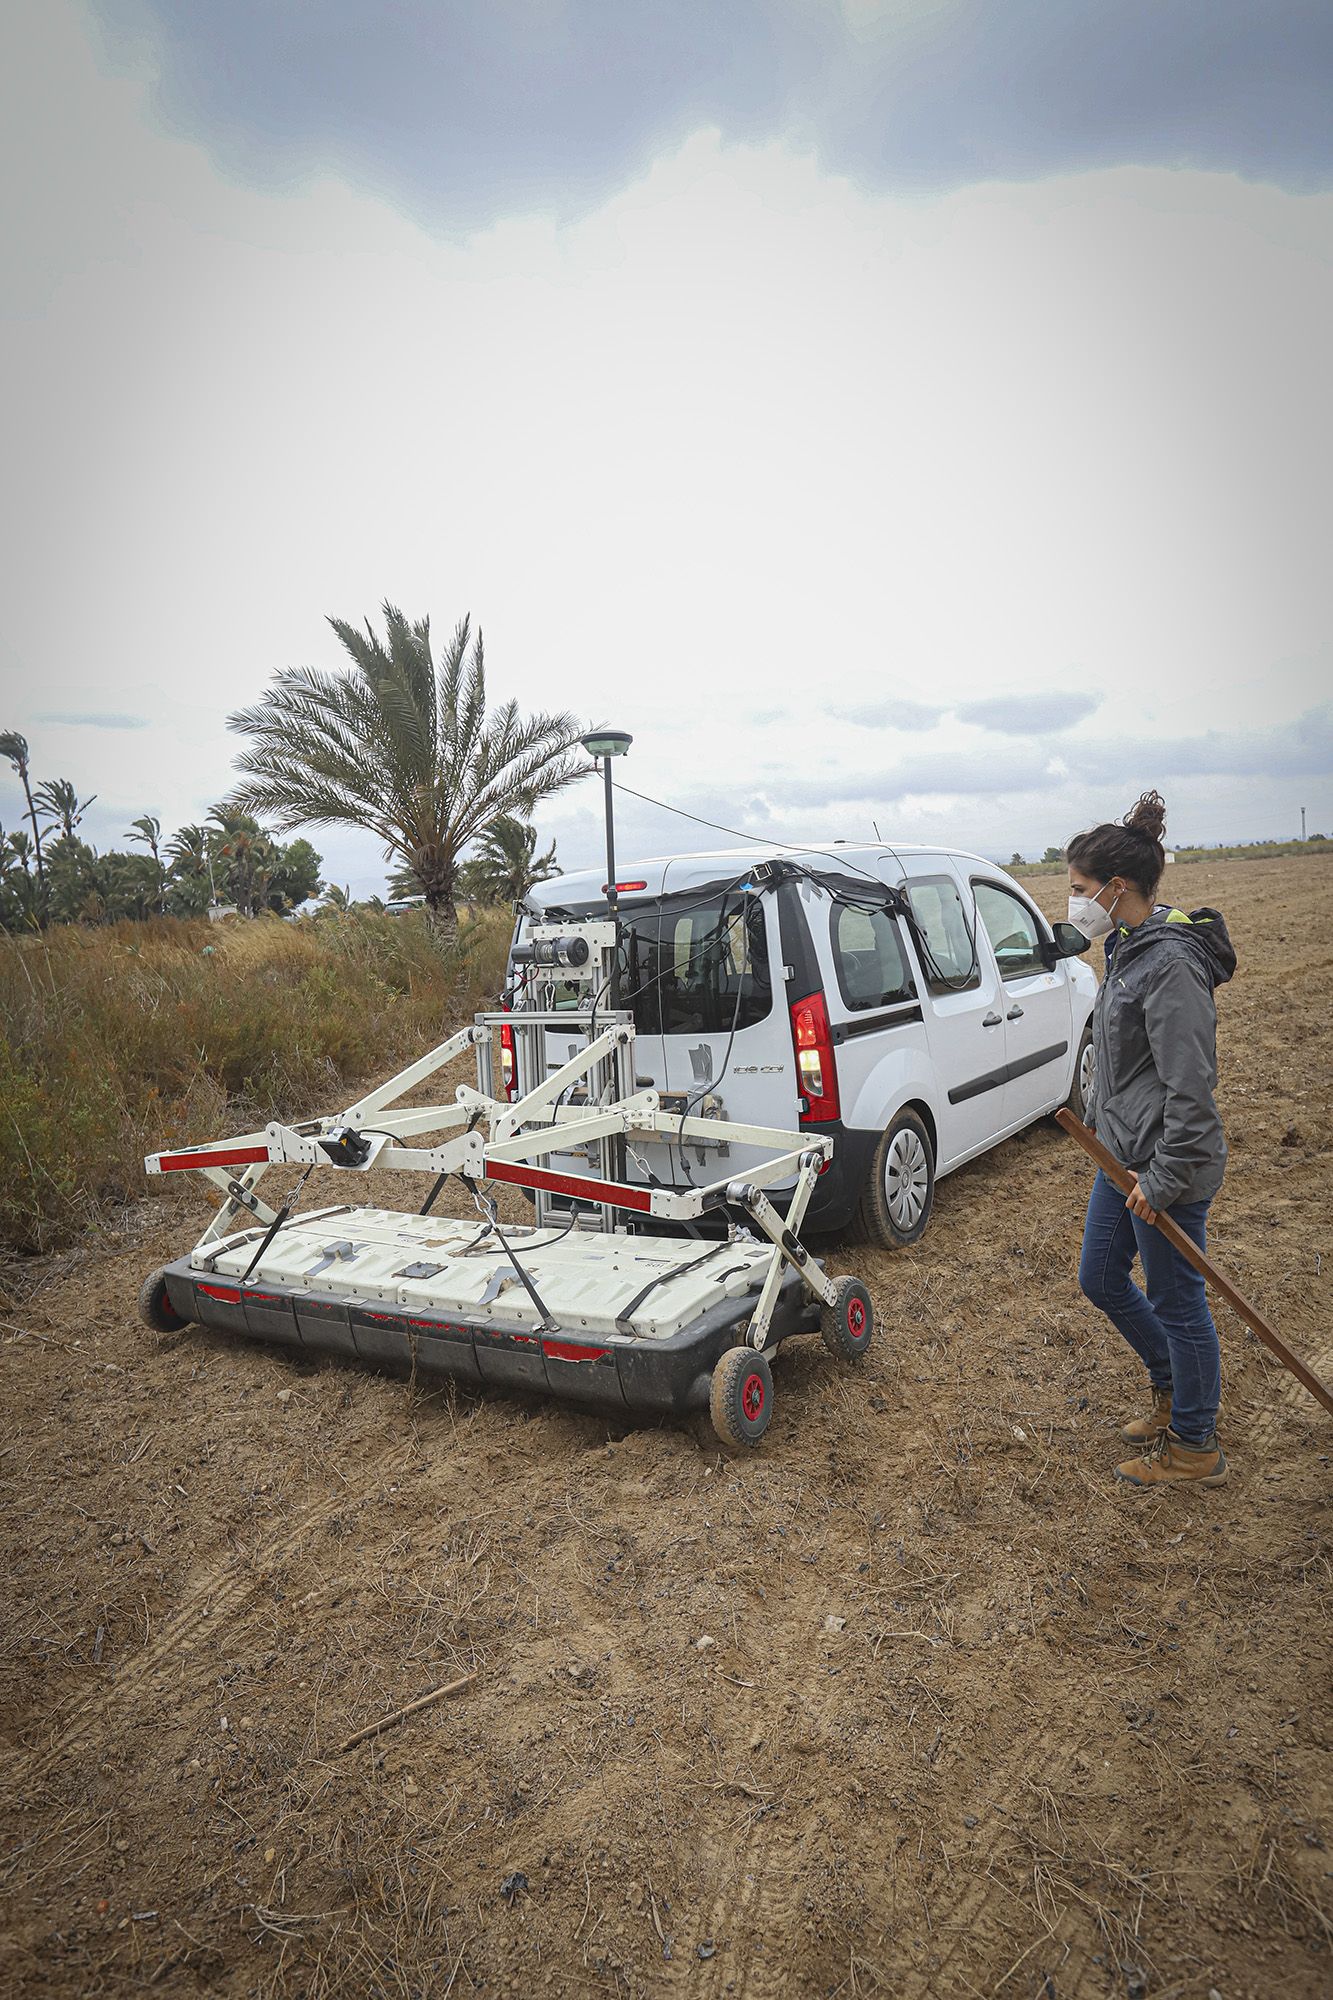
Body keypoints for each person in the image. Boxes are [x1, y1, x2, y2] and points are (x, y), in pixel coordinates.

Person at [1066, 791, 1236, 1487]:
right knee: (1100, 1277)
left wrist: (1161, 1179)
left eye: (1077, 888)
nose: (1070, 900)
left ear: (1116, 887)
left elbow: (1190, 1088)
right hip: (1122, 1156)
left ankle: (1194, 1444)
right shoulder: (1129, 943)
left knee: (1176, 1301)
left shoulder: (1168, 965)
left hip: (1167, 1166)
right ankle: (1170, 1389)